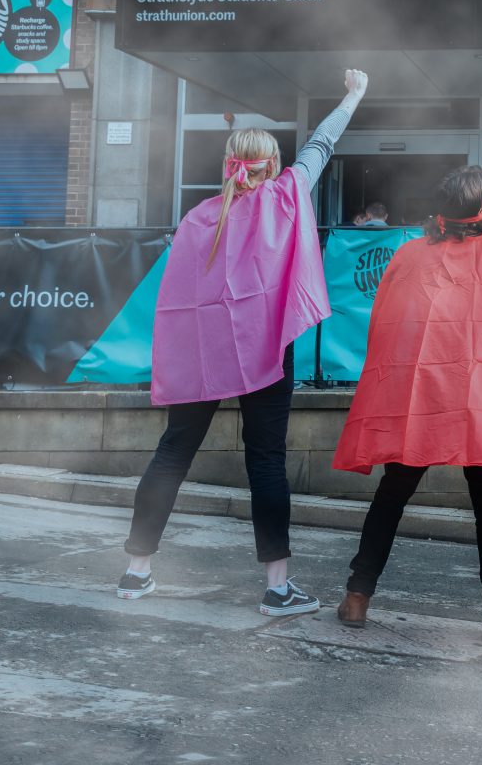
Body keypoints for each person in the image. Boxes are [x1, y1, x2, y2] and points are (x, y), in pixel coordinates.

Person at [119, 69, 370, 615]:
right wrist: (353, 94)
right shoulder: (287, 195)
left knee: (172, 453)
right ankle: (277, 588)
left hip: (200, 354)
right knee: (266, 462)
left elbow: (175, 300)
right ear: (272, 166)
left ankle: (136, 572)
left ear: (228, 165)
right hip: (265, 354)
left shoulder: (196, 219)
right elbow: (322, 145)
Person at [330, 121, 482, 643]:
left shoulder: (411, 254)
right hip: (479, 400)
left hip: (424, 395)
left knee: (393, 492)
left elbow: (389, 328)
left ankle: (356, 596)